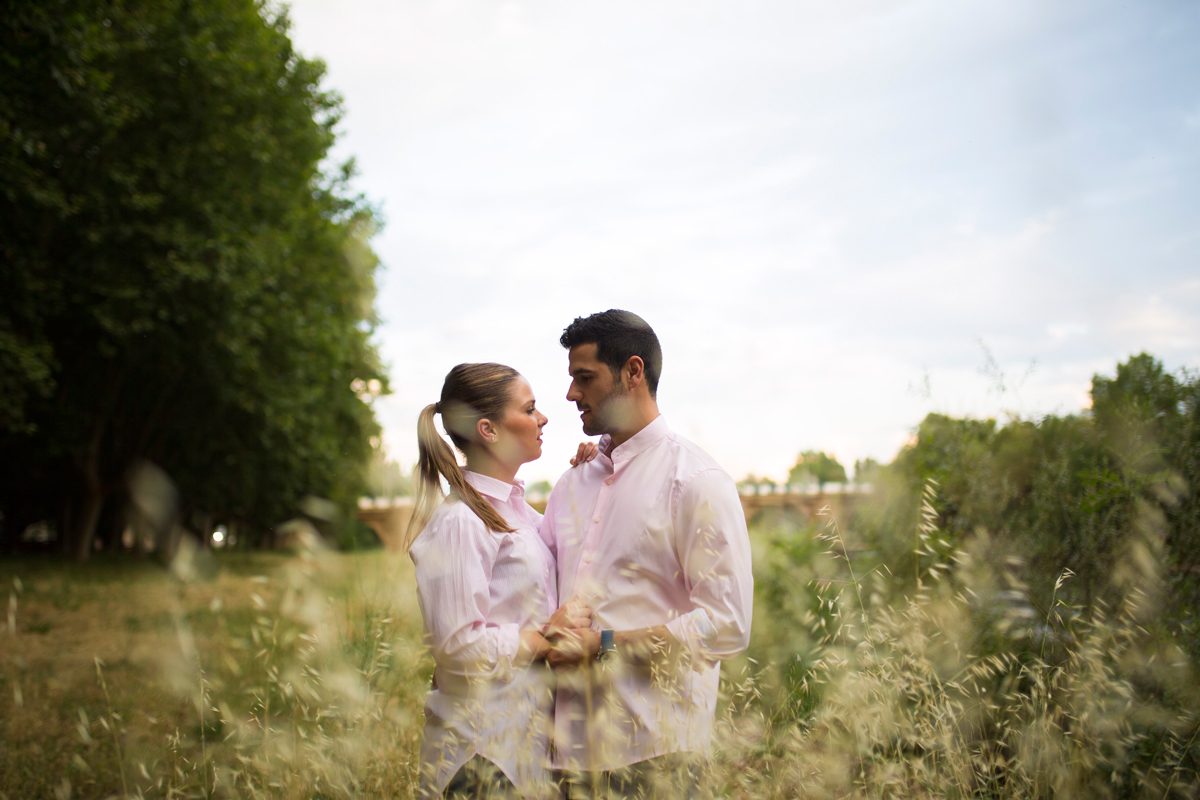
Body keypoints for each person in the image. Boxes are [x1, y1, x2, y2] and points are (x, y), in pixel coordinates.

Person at [540, 310, 755, 797]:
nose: (571, 394)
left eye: (584, 377)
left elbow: (726, 626)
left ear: (633, 372)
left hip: (654, 756)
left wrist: (605, 646)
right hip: (564, 756)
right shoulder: (572, 483)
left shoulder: (697, 483)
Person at [407, 362, 590, 799]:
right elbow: (457, 648)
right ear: (488, 429)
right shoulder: (460, 523)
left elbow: (571, 557)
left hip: (523, 754)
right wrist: (547, 637)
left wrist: (586, 477)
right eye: (529, 409)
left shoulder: (520, 515)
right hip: (478, 758)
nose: (542, 418)